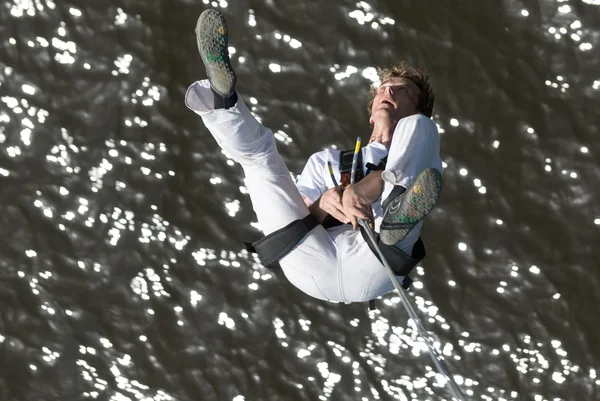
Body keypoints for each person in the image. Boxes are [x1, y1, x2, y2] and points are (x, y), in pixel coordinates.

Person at [185, 9, 443, 304]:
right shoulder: (326, 162)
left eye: (403, 90)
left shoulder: (423, 144)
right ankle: (224, 99)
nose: (390, 91)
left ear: (417, 106)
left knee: (422, 133)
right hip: (309, 259)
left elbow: (417, 141)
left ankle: (397, 220)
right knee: (260, 159)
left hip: (376, 261)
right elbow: (298, 215)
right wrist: (324, 204)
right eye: (384, 88)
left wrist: (357, 192)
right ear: (371, 114)